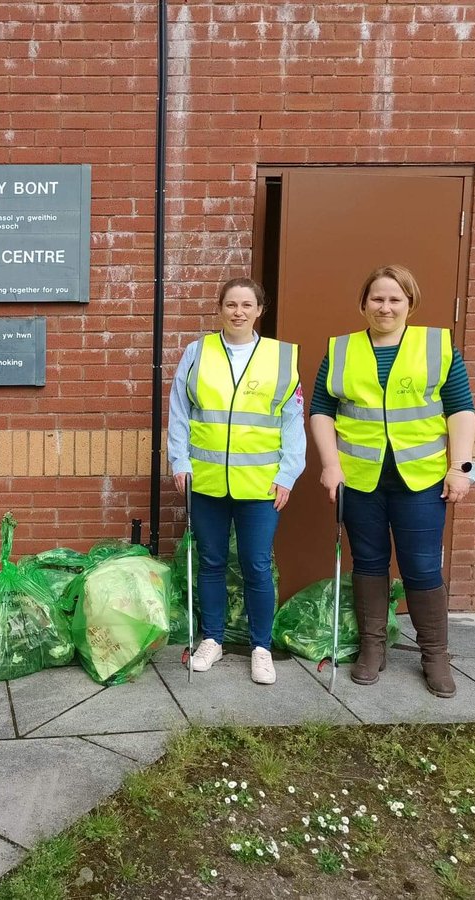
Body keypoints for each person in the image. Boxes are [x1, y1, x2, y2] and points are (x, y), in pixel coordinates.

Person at [309, 264, 475, 699]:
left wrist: (460, 466)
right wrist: (330, 464)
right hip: (361, 477)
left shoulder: (436, 345)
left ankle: (435, 655)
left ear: (409, 303)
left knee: (422, 566)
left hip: (419, 478)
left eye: (394, 299)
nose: (385, 307)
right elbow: (321, 410)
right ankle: (372, 648)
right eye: (377, 299)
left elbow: (460, 408)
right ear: (363, 304)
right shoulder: (341, 350)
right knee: (368, 563)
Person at [168, 277, 305, 685]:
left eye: (247, 304)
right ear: (220, 309)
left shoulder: (281, 358)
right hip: (206, 480)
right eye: (231, 304)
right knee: (210, 562)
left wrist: (288, 473)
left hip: (261, 485)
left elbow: (292, 421)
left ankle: (261, 647)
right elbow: (180, 411)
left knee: (256, 564)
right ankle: (212, 639)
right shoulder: (197, 352)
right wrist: (179, 460)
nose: (238, 312)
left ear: (260, 310)